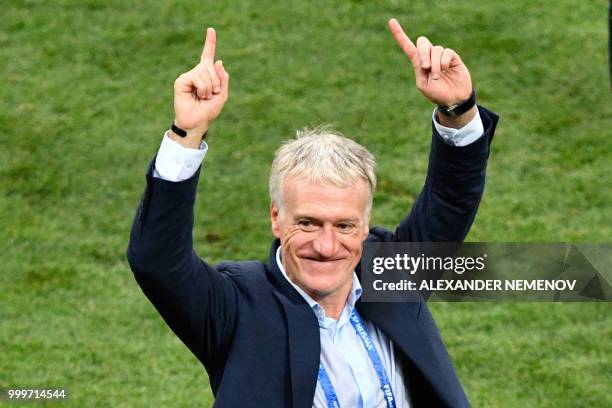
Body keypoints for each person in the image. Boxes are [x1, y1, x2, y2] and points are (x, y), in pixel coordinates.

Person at [127, 18, 498, 408]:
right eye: (307, 222)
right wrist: (186, 135)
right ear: (276, 218)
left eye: (344, 225)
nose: (326, 245)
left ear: (364, 225)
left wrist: (459, 108)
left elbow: (452, 199)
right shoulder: (237, 307)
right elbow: (156, 261)